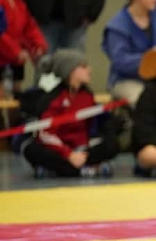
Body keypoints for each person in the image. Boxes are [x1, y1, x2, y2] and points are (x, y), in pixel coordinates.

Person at [22, 49, 118, 177]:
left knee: (112, 145)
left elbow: (96, 124)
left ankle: (61, 170)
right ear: (70, 71)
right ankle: (83, 169)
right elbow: (46, 135)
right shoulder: (53, 99)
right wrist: (69, 154)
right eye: (83, 67)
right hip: (60, 148)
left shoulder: (87, 95)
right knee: (31, 150)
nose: (89, 70)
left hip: (82, 148)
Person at [0, 0, 47, 96]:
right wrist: (15, 51)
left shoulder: (17, 0)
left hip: (16, 60)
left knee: (17, 95)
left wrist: (37, 45)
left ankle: (16, 118)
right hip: (4, 56)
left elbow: (29, 25)